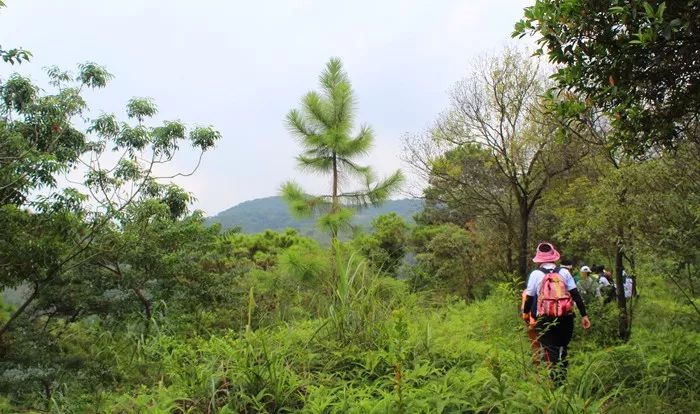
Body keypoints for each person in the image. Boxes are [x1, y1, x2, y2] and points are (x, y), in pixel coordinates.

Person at [521, 242, 591, 384]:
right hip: (566, 318)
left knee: (550, 349)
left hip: (545, 318)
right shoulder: (564, 272)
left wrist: (526, 315)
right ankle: (561, 380)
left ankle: (556, 383)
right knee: (562, 348)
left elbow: (529, 298)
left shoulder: (535, 274)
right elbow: (575, 295)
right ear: (554, 257)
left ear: (539, 259)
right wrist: (584, 315)